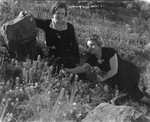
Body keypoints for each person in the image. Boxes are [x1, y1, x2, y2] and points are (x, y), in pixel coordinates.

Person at [65, 34, 150, 106]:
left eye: (92, 44)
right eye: (88, 46)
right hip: (117, 77)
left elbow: (114, 70)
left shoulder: (109, 51)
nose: (90, 47)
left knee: (133, 92)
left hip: (128, 72)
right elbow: (82, 68)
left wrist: (102, 78)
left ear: (99, 44)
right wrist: (69, 70)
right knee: (129, 94)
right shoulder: (92, 59)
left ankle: (147, 102)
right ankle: (141, 100)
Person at [19, 2, 80, 68]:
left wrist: (77, 61)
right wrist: (24, 13)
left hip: (66, 56)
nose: (60, 16)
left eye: (63, 13)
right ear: (53, 13)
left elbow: (74, 44)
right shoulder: (47, 24)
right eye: (58, 13)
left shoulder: (69, 27)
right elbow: (34, 20)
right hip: (52, 55)